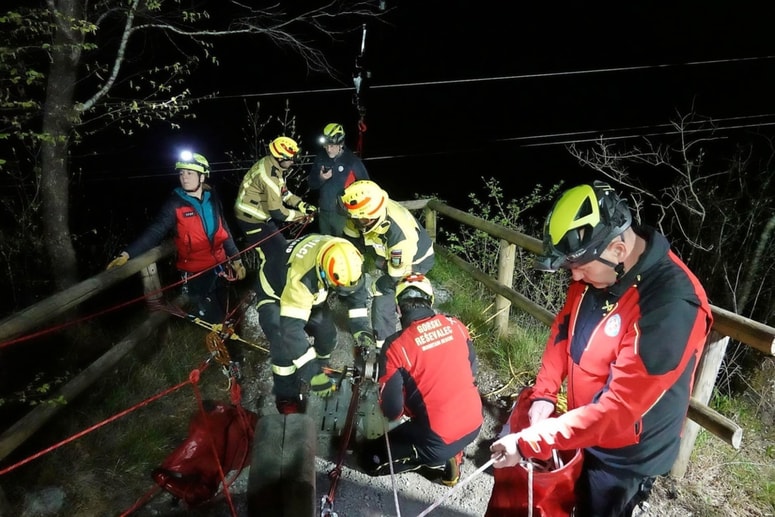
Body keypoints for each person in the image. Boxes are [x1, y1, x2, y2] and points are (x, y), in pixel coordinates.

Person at [489, 181, 713, 517]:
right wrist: (544, 395)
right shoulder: (596, 269)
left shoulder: (669, 306)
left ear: (618, 250)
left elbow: (618, 410)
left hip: (627, 453)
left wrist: (527, 442)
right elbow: (563, 331)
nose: (574, 276)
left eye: (578, 265)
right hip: (585, 428)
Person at [106, 150, 247, 364]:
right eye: (182, 173)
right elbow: (155, 232)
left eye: (190, 173)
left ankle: (234, 354)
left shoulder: (212, 199)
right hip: (197, 274)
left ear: (202, 176)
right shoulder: (175, 203)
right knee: (214, 321)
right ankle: (228, 363)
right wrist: (127, 254)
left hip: (220, 266)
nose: (184, 177)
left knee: (227, 313)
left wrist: (235, 258)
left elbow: (223, 230)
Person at [359, 273, 482, 487]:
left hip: (438, 438)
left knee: (368, 458)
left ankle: (434, 464)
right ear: (431, 300)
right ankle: (455, 453)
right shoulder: (456, 326)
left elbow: (392, 411)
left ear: (398, 308)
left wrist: (398, 396)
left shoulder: (395, 346)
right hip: (474, 424)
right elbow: (472, 373)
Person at [254, 233, 374, 414]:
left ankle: (321, 365)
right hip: (276, 295)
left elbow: (356, 296)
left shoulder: (347, 259)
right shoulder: (302, 279)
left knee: (327, 334)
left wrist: (360, 327)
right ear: (324, 274)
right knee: (282, 346)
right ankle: (287, 397)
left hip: (311, 292)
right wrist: (311, 373)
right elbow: (291, 332)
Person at [340, 179, 435, 347]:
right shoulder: (362, 212)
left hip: (414, 261)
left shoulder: (400, 235)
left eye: (358, 220)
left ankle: (390, 346)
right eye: (352, 218)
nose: (354, 222)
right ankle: (384, 346)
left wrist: (376, 286)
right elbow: (350, 241)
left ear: (371, 217)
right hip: (385, 255)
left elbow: (395, 276)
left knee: (391, 297)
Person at [234, 135, 317, 289]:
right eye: (290, 159)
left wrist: (301, 205)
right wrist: (301, 217)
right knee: (276, 254)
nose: (293, 162)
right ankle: (269, 288)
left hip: (260, 215)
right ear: (280, 158)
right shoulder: (269, 177)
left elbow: (283, 192)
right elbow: (278, 212)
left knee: (280, 250)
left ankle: (277, 283)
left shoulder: (273, 165)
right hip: (252, 220)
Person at [307, 123, 370, 236]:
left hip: (343, 214)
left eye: (332, 146)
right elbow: (311, 184)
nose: (328, 149)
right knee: (326, 245)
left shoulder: (351, 161)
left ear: (341, 144)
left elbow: (366, 186)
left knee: (343, 244)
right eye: (326, 145)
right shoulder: (320, 158)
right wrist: (321, 178)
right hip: (324, 213)